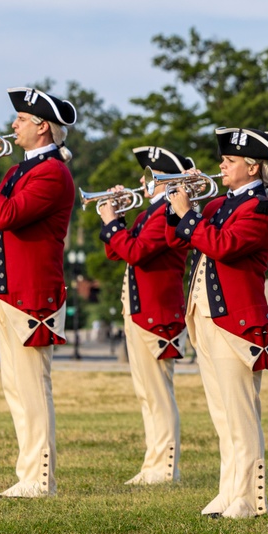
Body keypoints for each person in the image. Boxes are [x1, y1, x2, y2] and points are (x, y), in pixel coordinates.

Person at [165, 126, 268, 518]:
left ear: (252, 167)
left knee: (240, 414)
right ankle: (228, 490)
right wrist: (175, 207)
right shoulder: (222, 205)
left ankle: (250, 498)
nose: (220, 165)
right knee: (222, 415)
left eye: (229, 160)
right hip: (207, 318)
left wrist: (189, 214)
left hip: (237, 322)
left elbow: (223, 246)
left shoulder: (259, 209)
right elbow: (178, 241)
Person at [0, 87, 77, 497]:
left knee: (31, 388)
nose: (13, 125)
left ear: (42, 126)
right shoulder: (18, 172)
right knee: (15, 388)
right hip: (8, 290)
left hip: (31, 296)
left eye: (21, 119)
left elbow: (6, 215)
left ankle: (40, 478)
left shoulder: (52, 173)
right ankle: (28, 473)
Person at [97, 146, 193, 485]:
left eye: (150, 176)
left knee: (158, 394)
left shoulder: (166, 213)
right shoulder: (149, 215)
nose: (141, 180)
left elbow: (136, 252)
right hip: (141, 311)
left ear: (167, 182)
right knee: (147, 394)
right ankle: (153, 465)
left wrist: (112, 223)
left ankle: (165, 469)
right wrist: (116, 219)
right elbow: (116, 251)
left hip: (158, 314)